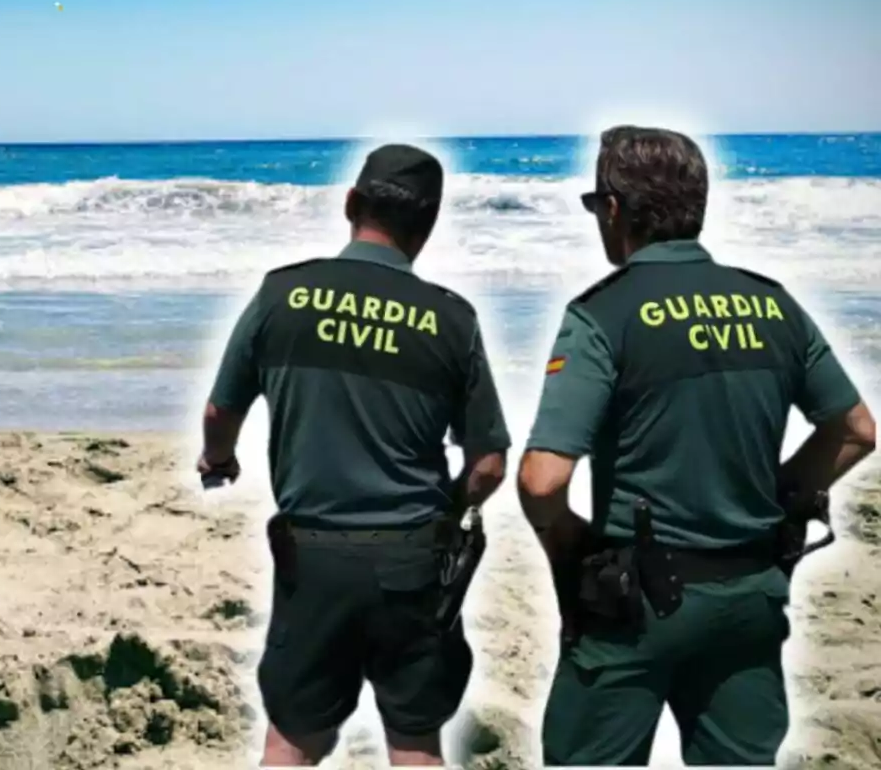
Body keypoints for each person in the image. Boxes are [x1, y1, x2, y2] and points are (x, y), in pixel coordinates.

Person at [517, 125, 877, 766]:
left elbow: (543, 481)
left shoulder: (602, 314)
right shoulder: (773, 306)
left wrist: (567, 545)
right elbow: (855, 431)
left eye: (596, 204)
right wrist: (782, 492)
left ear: (617, 209)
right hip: (750, 592)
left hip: (637, 605)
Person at [197, 144, 510, 767]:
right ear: (428, 226)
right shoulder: (452, 320)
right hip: (412, 557)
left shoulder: (281, 294)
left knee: (291, 739)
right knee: (415, 741)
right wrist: (451, 510)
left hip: (313, 554)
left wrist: (219, 459)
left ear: (350, 204)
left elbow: (220, 412)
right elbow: (488, 465)